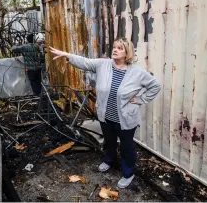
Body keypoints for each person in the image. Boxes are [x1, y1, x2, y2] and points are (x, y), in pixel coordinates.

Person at [49, 38, 161, 188]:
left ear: (127, 52)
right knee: (109, 142)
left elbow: (155, 85)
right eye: (114, 47)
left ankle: (128, 173)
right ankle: (109, 160)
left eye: (120, 48)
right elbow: (85, 62)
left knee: (127, 147)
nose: (115, 50)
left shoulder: (137, 72)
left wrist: (140, 98)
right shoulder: (103, 65)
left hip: (125, 119)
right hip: (105, 116)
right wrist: (66, 55)